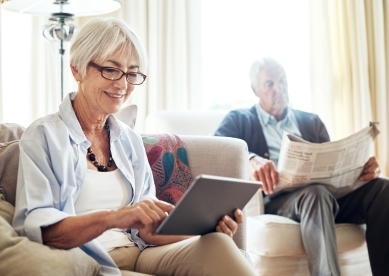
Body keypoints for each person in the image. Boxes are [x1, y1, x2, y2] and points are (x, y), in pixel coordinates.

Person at [12, 18, 257, 276]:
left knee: (217, 243)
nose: (122, 84)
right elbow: (40, 231)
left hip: (141, 252)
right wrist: (115, 217)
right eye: (110, 70)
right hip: (87, 263)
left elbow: (147, 232)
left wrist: (205, 229)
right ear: (77, 70)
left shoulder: (128, 140)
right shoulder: (43, 136)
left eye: (131, 73)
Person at [215, 56, 389, 276]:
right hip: (280, 199)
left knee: (383, 187)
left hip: (329, 195)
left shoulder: (311, 121)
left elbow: (335, 164)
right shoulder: (239, 119)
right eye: (270, 83)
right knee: (315, 193)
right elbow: (218, 151)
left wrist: (362, 167)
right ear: (255, 89)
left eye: (283, 80)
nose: (279, 88)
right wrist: (250, 158)